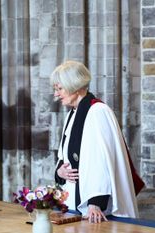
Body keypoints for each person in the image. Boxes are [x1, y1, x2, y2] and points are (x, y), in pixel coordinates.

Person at [50, 60, 144, 223]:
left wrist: (95, 203)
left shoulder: (98, 111)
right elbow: (64, 155)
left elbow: (103, 160)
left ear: (76, 86)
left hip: (95, 208)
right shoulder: (72, 113)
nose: (56, 94)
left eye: (60, 89)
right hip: (74, 200)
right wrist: (60, 172)